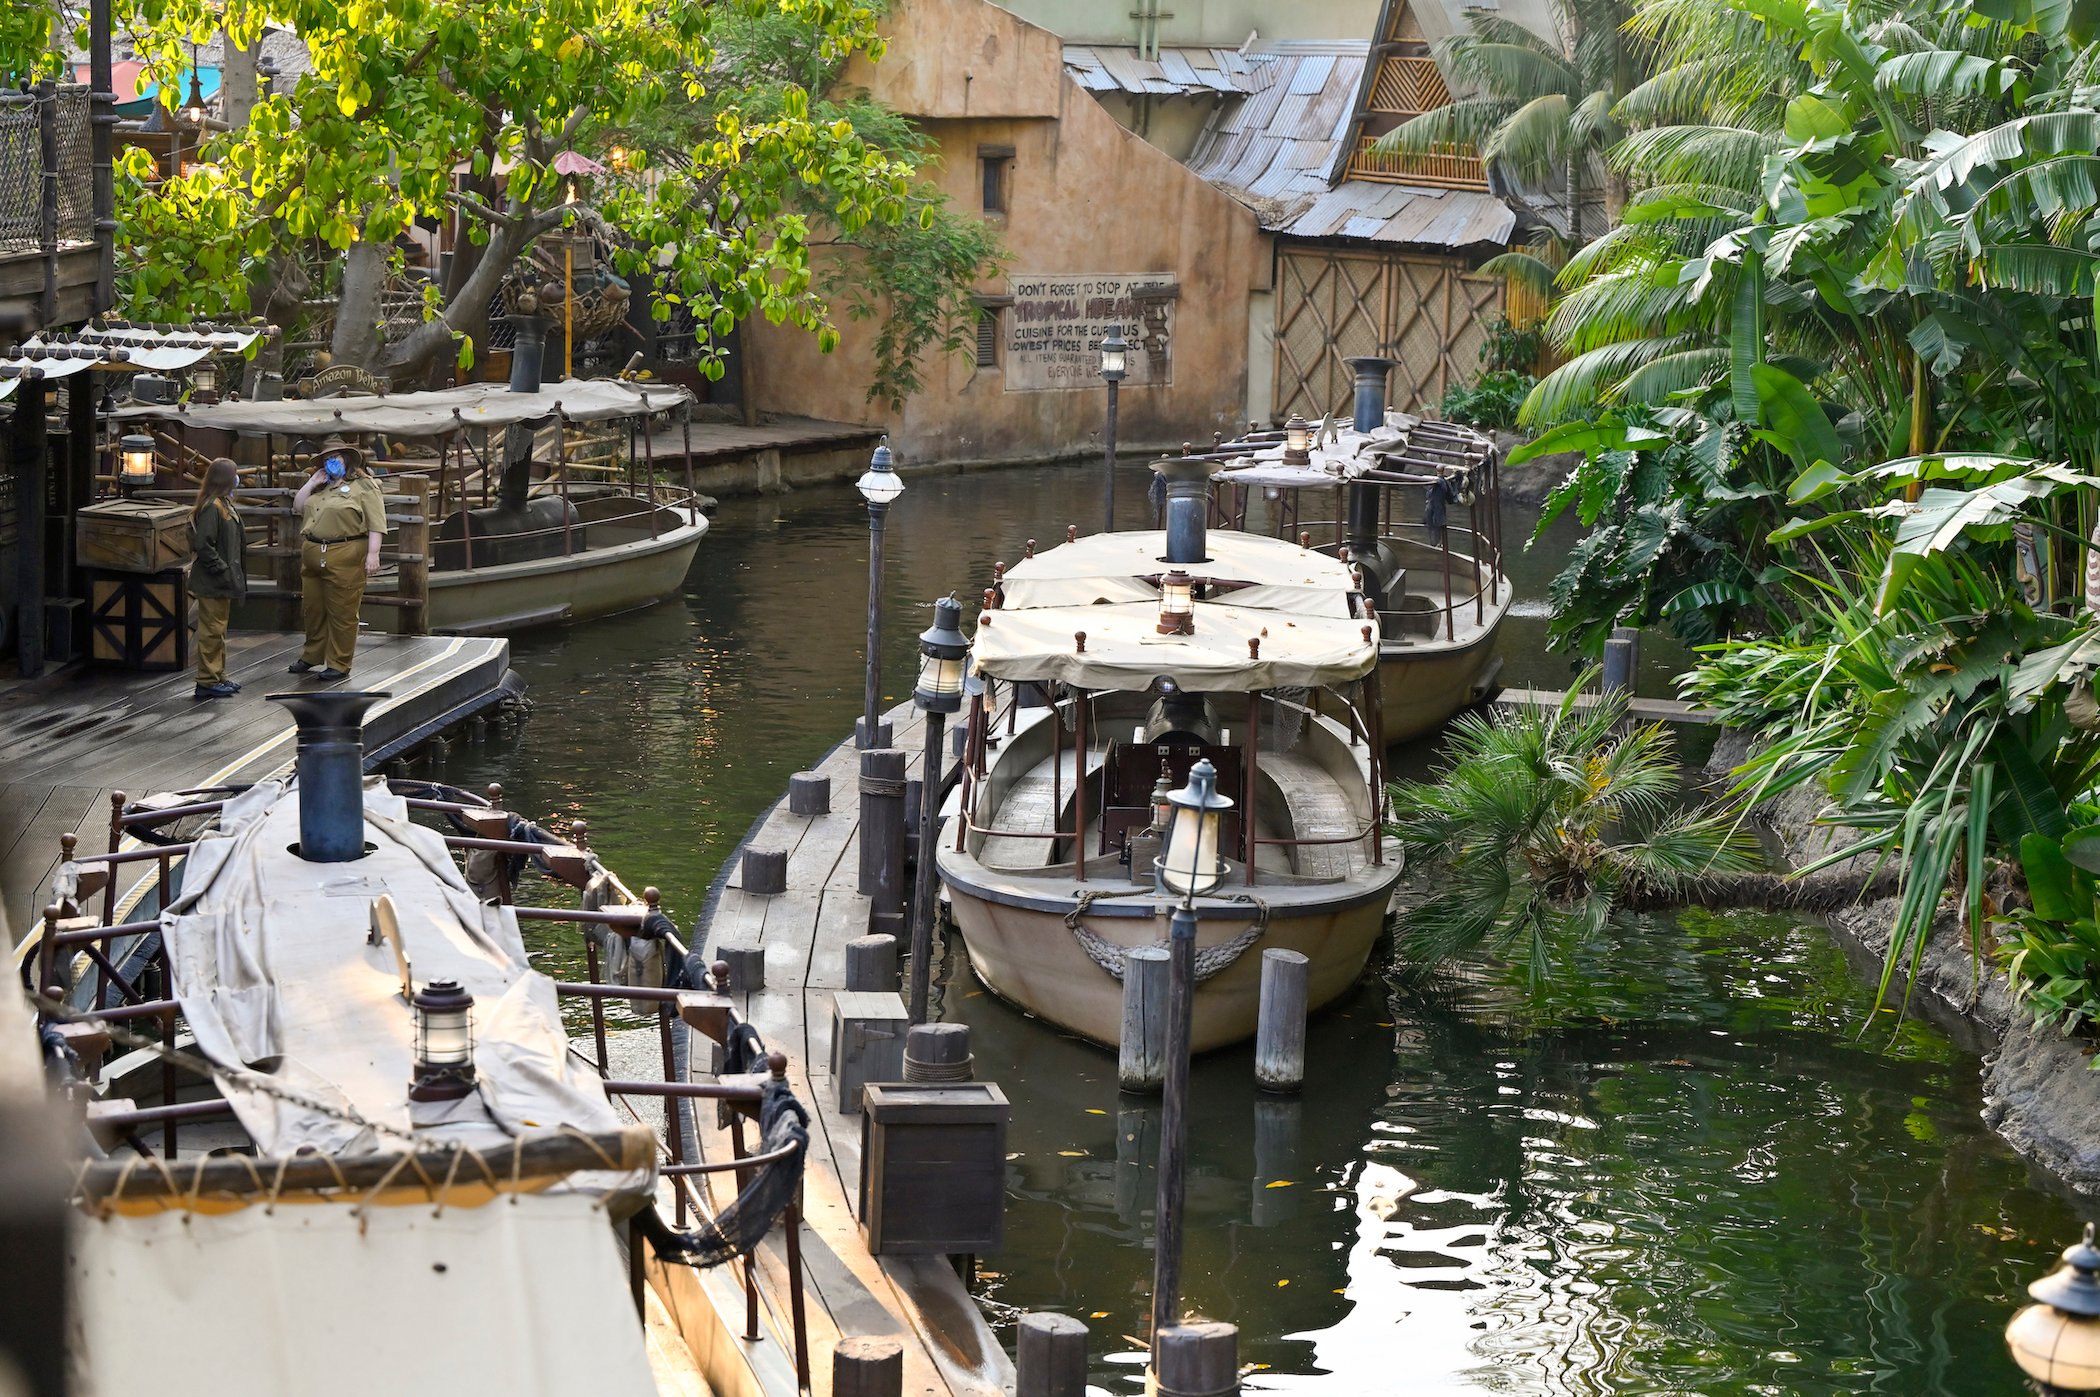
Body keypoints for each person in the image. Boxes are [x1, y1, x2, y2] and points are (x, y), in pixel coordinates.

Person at [289, 442, 386, 680]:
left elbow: (376, 522)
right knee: (313, 609)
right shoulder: (319, 487)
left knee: (342, 612)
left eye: (336, 458)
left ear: (347, 460)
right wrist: (311, 482)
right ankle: (312, 655)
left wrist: (373, 554)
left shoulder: (364, 487)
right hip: (313, 552)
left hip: (345, 551)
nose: (331, 462)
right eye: (327, 459)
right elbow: (297, 507)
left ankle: (339, 663)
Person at [188, 457, 247, 700]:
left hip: (223, 581)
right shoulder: (213, 507)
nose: (237, 478)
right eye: (233, 474)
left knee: (219, 630)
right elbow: (203, 544)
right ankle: (207, 680)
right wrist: (221, 569)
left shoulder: (225, 504)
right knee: (211, 631)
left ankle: (218, 674)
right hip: (213, 580)